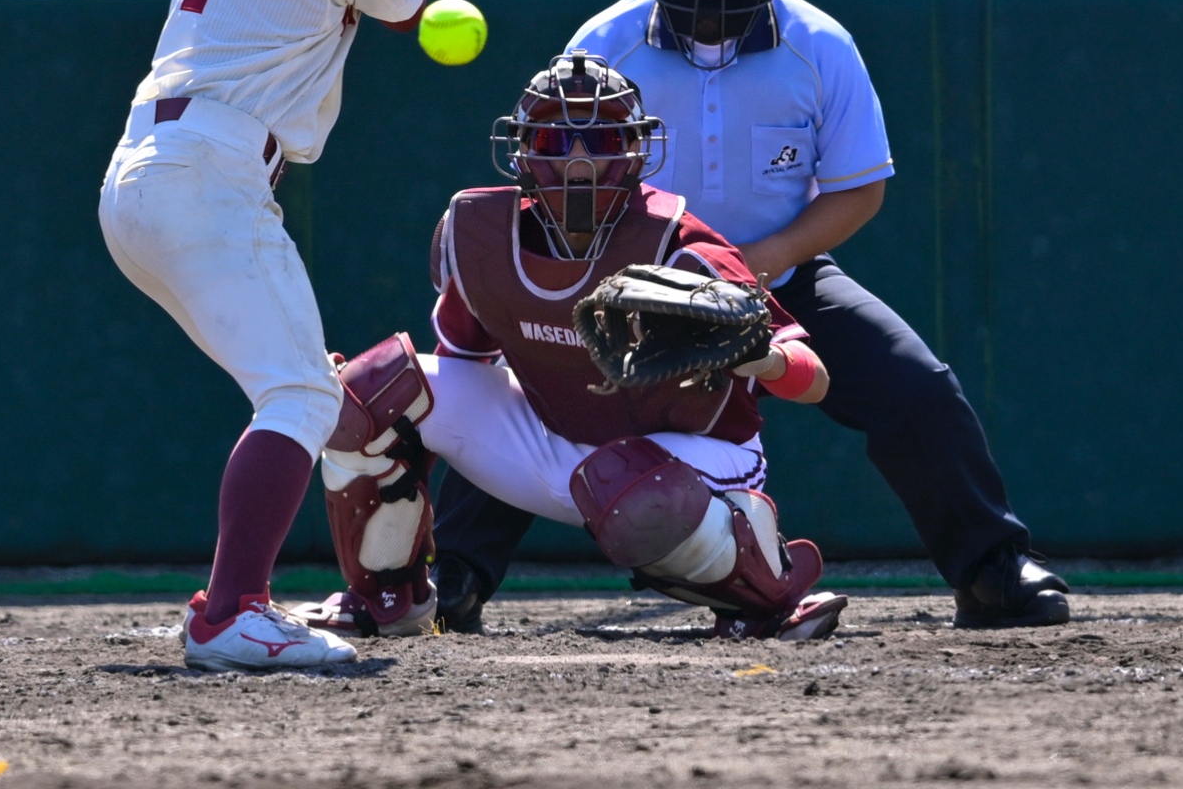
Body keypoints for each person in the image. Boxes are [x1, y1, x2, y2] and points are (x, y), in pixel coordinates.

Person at [432, 0, 1072, 632]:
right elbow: (554, 173)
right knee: (534, 389)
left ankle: (991, 572)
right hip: (625, 291)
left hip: (778, 277)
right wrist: (646, 288)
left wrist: (743, 275)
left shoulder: (819, 44)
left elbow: (858, 192)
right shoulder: (603, 44)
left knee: (916, 388)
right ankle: (453, 578)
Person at [303, 53, 847, 642]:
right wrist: (372, 426)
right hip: (556, 437)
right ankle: (388, 597)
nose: (580, 162)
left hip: (696, 457)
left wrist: (763, 358)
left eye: (604, 140)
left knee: (626, 484)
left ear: (636, 149)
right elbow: (457, 370)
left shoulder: (683, 246)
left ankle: (768, 595)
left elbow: (814, 380)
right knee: (368, 392)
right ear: (522, 150)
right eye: (555, 141)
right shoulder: (482, 233)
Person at [99, 0, 431, 672]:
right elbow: (405, 5)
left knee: (300, 386)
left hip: (146, 174)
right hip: (209, 174)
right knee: (298, 394)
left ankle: (255, 601)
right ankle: (230, 612)